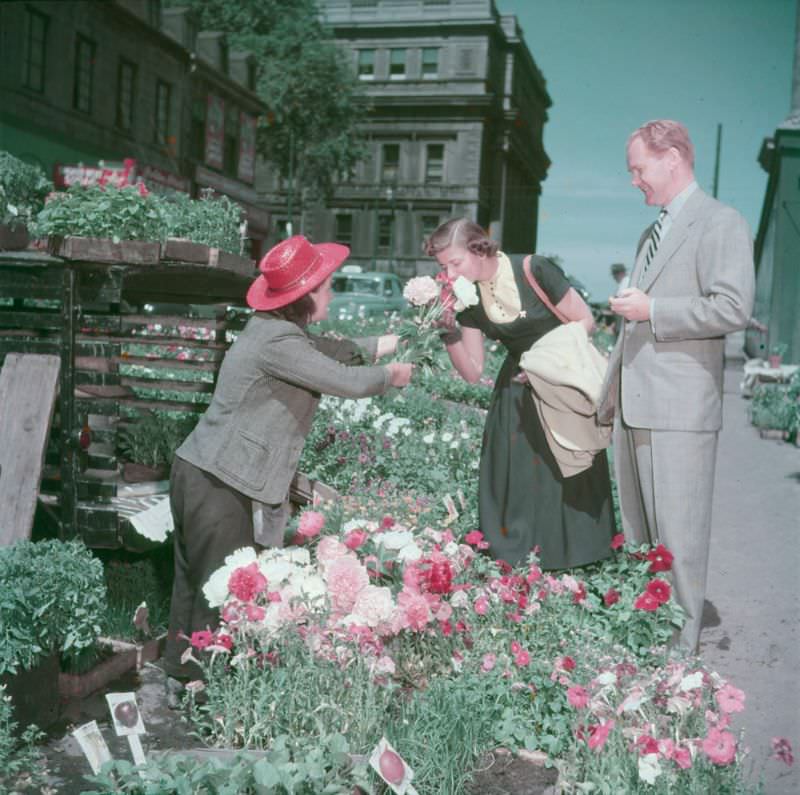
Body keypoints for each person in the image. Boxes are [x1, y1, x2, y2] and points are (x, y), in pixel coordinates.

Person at [164, 235, 413, 691]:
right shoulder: (278, 340)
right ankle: (208, 700)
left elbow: (323, 351)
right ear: (305, 294)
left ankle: (182, 679)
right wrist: (389, 375)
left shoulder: (273, 331)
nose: (333, 294)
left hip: (203, 472)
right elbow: (341, 379)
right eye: (328, 286)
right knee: (220, 595)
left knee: (195, 586)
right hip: (219, 482)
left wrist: (379, 345)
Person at [600, 120, 755, 652]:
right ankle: (648, 641)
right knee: (644, 539)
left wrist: (653, 309)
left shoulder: (720, 223)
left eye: (638, 169)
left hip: (681, 412)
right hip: (638, 407)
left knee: (680, 542)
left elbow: (733, 306)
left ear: (671, 158)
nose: (634, 181)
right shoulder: (653, 232)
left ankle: (678, 663)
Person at [424, 218, 617, 569]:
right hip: (517, 390)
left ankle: (580, 559)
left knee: (568, 468)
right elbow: (472, 371)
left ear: (479, 249)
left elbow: (584, 320)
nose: (449, 275)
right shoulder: (466, 299)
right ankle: (519, 563)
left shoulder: (533, 268)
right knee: (520, 478)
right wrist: (447, 333)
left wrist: (547, 364)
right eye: (442, 267)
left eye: (456, 263)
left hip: (561, 384)